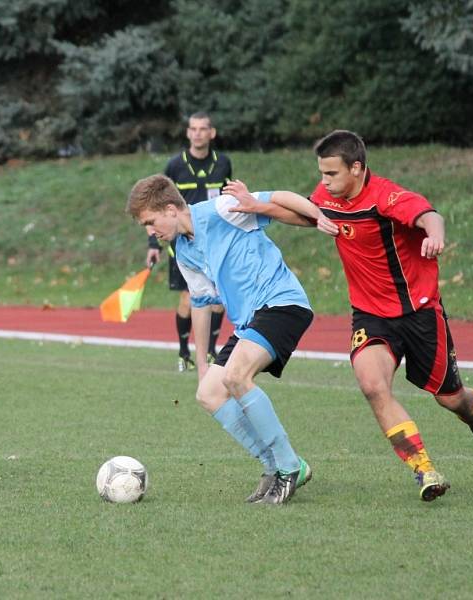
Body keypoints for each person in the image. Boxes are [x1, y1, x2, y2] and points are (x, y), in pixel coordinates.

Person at [230, 129, 473, 501]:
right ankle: (425, 471)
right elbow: (309, 216)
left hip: (419, 312)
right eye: (322, 173)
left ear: (357, 168)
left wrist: (435, 236)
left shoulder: (387, 197)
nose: (323, 182)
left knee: (451, 398)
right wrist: (256, 205)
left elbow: (429, 215)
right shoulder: (329, 198)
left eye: (331, 174)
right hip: (370, 316)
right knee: (373, 385)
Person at [128, 174, 328, 504]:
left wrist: (320, 216)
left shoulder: (221, 209)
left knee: (237, 377)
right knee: (208, 392)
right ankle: (271, 466)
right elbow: (202, 304)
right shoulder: (182, 251)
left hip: (282, 303)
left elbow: (282, 193)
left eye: (150, 222)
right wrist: (203, 361)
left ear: (169, 209)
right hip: (251, 320)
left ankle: (290, 467)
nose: (151, 231)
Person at [146, 112, 231, 372]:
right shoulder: (175, 165)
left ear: (211, 133)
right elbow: (155, 206)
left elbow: (227, 201)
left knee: (218, 299)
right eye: (193, 129)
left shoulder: (223, 163)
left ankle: (210, 350)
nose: (197, 133)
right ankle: (184, 352)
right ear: (187, 133)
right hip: (182, 243)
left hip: (214, 242)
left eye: (203, 129)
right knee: (188, 298)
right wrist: (153, 243)